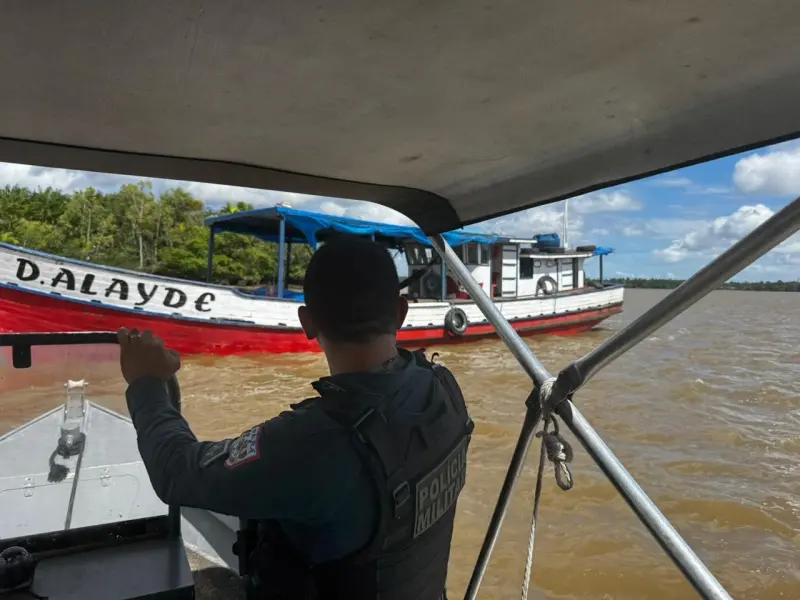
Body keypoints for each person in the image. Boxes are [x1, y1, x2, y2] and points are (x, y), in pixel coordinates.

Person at [118, 234, 474, 600]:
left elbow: (175, 472)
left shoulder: (313, 442)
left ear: (307, 323)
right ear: (401, 312)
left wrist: (147, 383)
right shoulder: (444, 389)